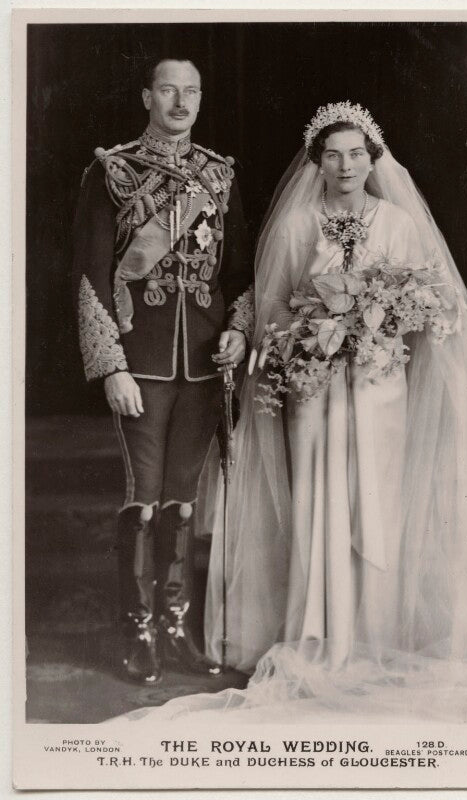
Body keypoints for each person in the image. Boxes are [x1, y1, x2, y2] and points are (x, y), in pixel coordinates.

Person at [110, 101, 467, 724]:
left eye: (356, 154)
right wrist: (304, 335)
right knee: (318, 502)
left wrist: (379, 321)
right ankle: (320, 635)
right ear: (316, 162)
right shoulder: (297, 226)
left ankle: (375, 635)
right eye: (333, 154)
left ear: (373, 160)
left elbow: (431, 304)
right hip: (313, 391)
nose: (345, 165)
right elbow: (270, 312)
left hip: (378, 386)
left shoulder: (399, 222)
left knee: (375, 501)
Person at [73, 58, 253, 686]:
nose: (180, 101)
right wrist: (110, 366)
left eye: (191, 92)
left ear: (201, 100)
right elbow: (93, 275)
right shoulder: (113, 171)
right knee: (142, 501)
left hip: (204, 365)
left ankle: (177, 631)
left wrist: (238, 328)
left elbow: (239, 274)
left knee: (182, 501)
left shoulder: (220, 176)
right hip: (141, 361)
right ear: (148, 95)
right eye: (168, 90)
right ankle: (138, 631)